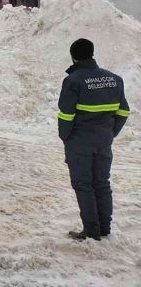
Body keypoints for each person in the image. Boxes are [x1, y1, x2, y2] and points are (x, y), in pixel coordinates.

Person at [58, 38, 130, 241]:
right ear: (92, 53)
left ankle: (91, 229)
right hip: (103, 140)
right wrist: (110, 133)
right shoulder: (114, 79)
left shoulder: (73, 81)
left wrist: (65, 137)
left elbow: (66, 115)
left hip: (79, 141)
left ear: (73, 56)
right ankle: (104, 227)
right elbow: (124, 110)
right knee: (102, 183)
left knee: (83, 184)